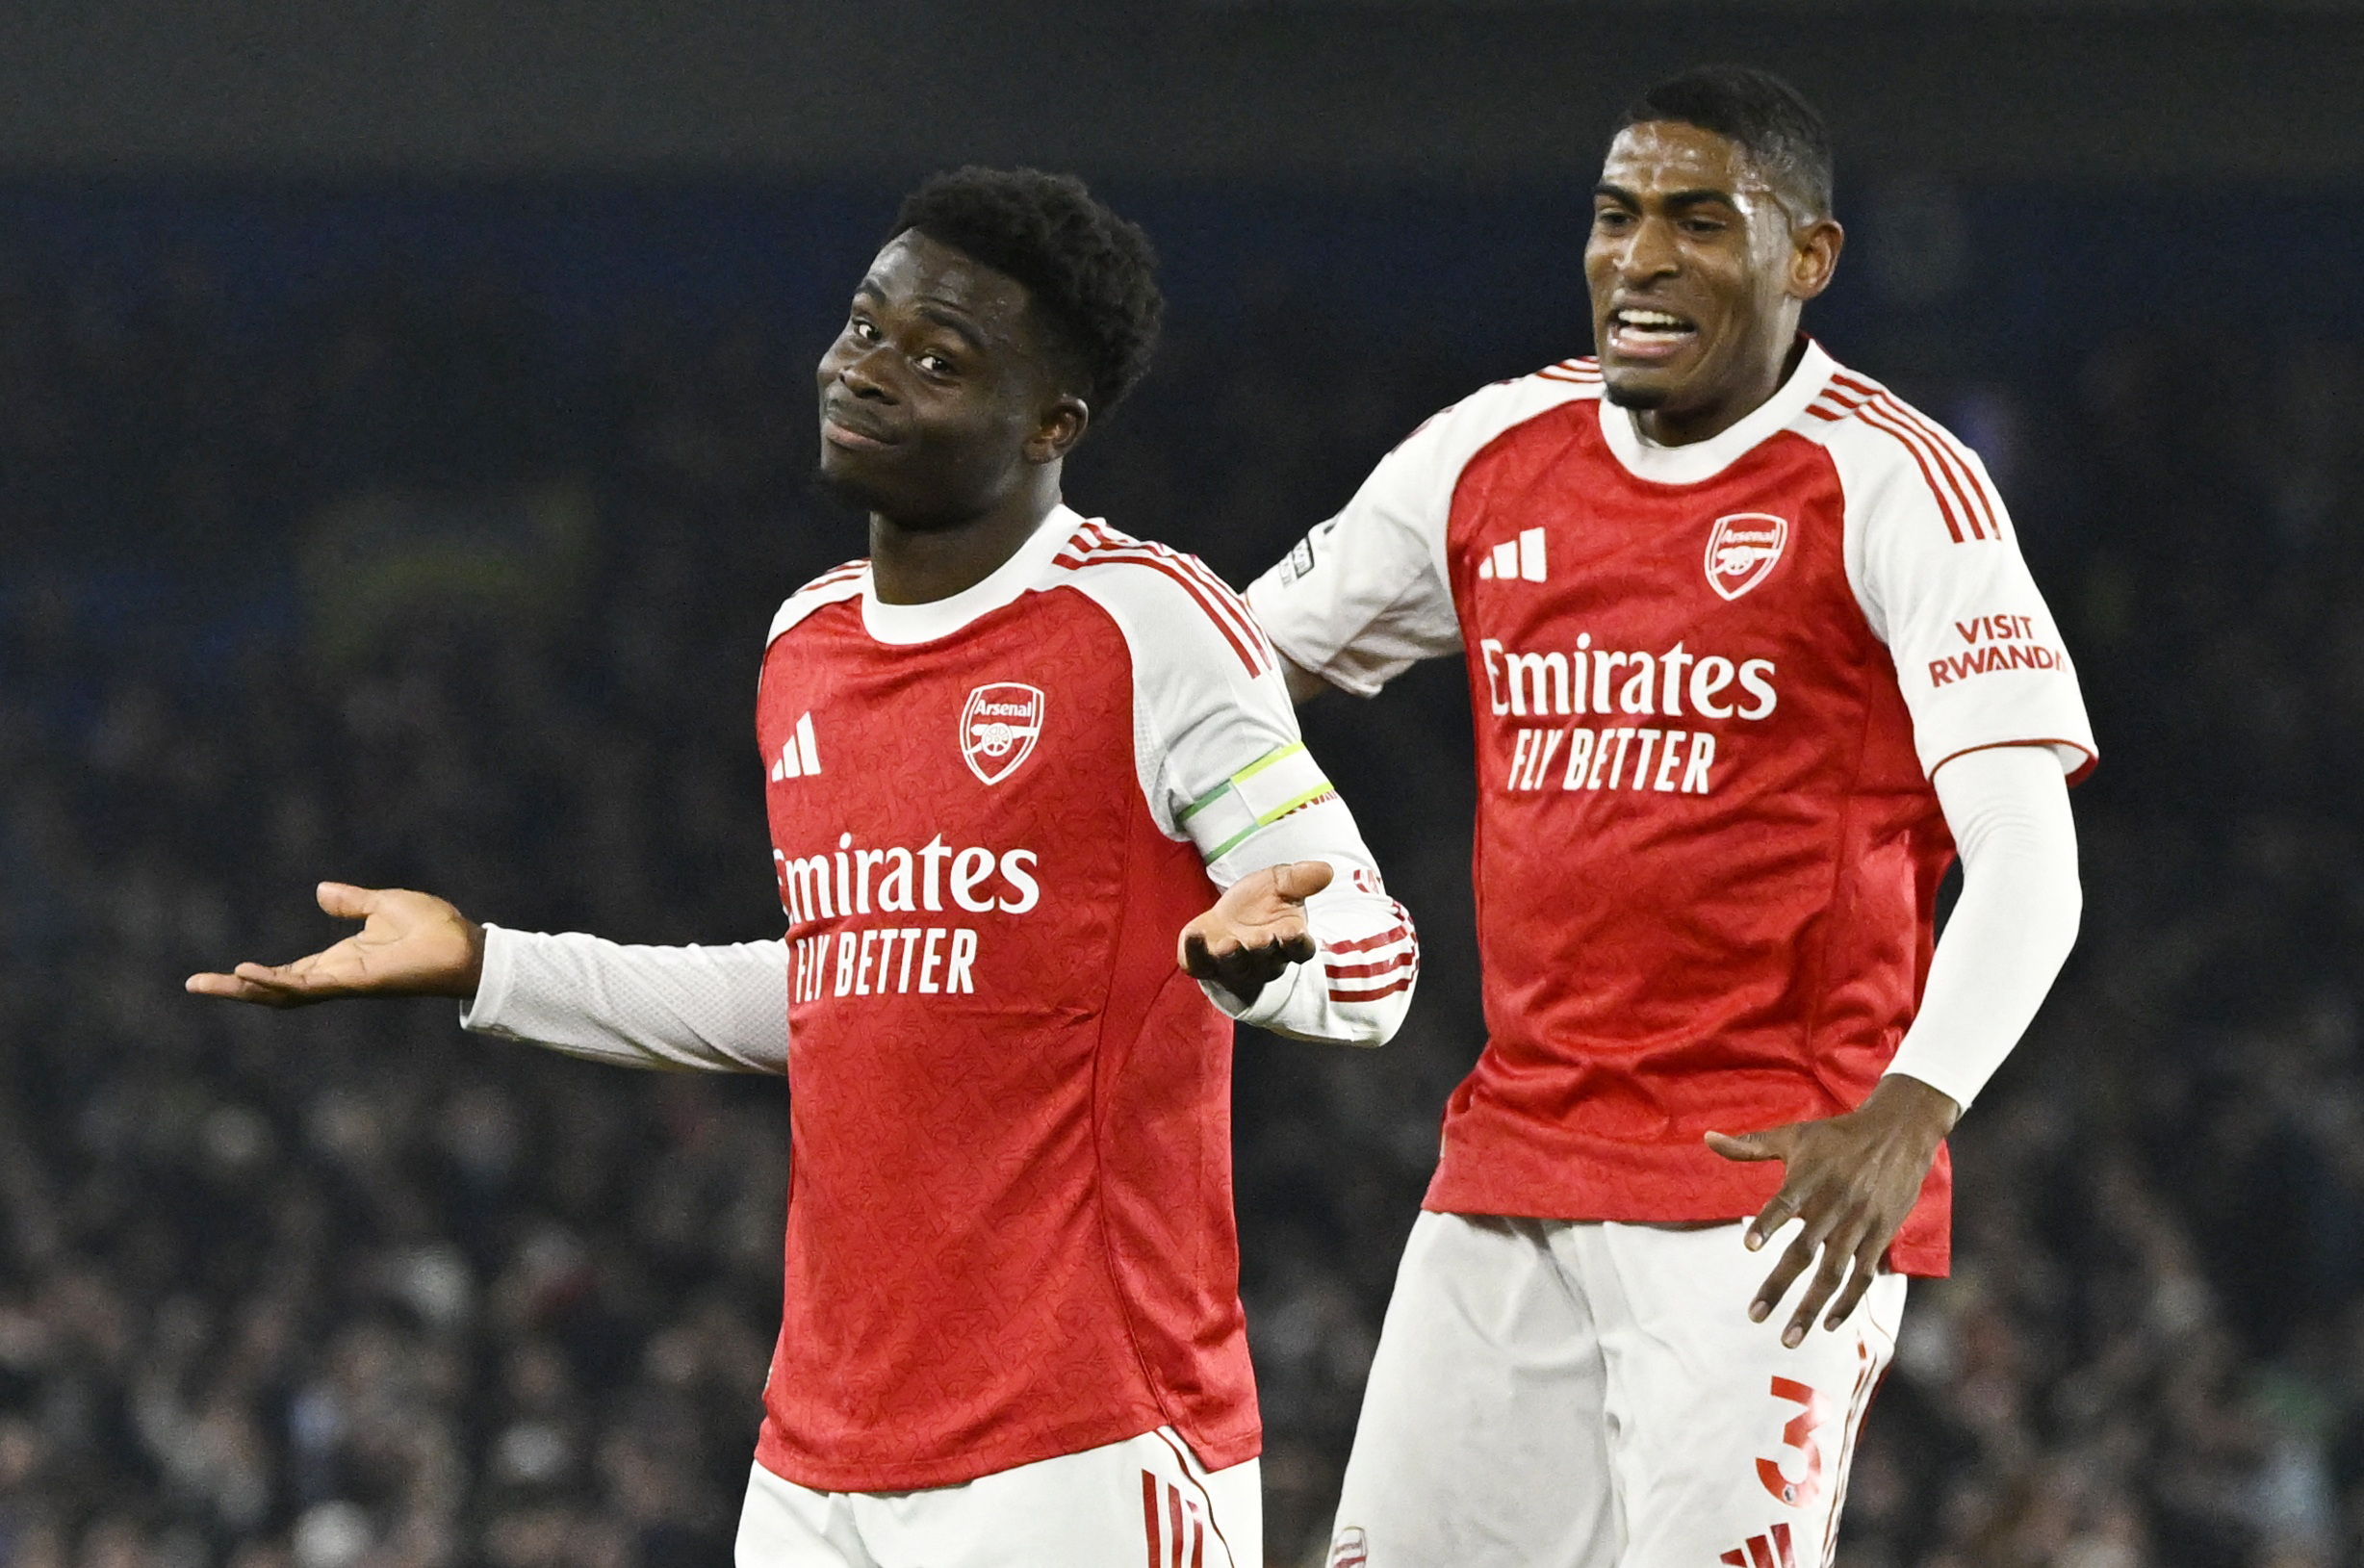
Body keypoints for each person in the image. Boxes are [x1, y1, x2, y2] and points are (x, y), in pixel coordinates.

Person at [190, 167, 1421, 1568]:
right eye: (865, 324)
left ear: (1052, 422)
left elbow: (1372, 950)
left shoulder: (1151, 628)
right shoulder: (806, 648)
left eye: (939, 358)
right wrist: (493, 962)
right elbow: (837, 997)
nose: (870, 368)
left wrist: (1272, 964)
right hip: (815, 1459)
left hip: (1084, 1441)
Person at [1246, 67, 2093, 1568]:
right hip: (1512, 1158)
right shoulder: (1491, 454)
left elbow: (2032, 861)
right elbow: (1241, 668)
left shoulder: (1898, 487)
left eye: (1700, 222)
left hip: (1771, 1192)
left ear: (1808, 258)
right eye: (1618, 216)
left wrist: (1912, 1109)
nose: (1640, 258)